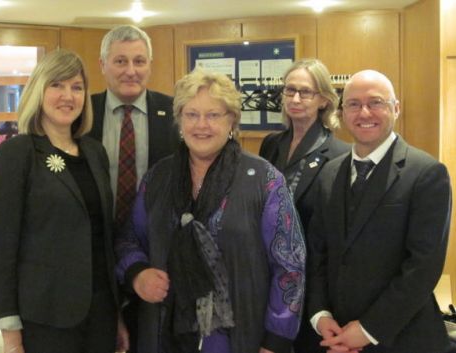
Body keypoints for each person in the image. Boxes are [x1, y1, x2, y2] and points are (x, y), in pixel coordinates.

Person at [115, 69, 307, 353]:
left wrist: (276, 341)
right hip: (164, 333)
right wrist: (137, 273)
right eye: (191, 114)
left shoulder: (265, 181)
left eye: (213, 115)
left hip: (240, 338)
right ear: (179, 119)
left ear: (232, 120)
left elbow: (290, 265)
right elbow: (129, 239)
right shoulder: (158, 178)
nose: (201, 125)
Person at [0, 49, 123, 353]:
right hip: (44, 319)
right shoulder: (18, 154)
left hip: (100, 312)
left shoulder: (93, 152)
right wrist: (9, 330)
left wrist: (118, 316)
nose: (68, 96)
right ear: (39, 90)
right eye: (57, 85)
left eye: (77, 87)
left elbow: (103, 240)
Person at [307, 69, 452, 353]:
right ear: (342, 111)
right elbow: (317, 253)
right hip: (334, 336)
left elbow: (422, 267)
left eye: (376, 102)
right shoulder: (329, 173)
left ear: (395, 108)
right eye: (353, 104)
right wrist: (319, 314)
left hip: (401, 338)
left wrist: (368, 329)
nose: (364, 113)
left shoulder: (427, 174)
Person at [88, 24, 179, 351]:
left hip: (153, 261)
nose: (131, 71)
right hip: (91, 259)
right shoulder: (82, 114)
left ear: (150, 65)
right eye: (120, 61)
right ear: (102, 65)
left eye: (139, 61)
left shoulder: (175, 113)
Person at [259, 58, 348, 353]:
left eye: (305, 92)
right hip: (268, 272)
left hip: (311, 278)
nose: (295, 99)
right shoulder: (271, 144)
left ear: (323, 99)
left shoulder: (338, 154)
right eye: (290, 90)